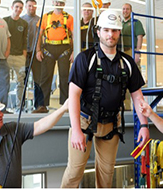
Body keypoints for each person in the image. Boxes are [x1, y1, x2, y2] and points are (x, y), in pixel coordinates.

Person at [61, 10, 149, 188]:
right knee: (74, 172)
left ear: (119, 33)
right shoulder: (85, 59)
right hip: (84, 122)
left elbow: (138, 97)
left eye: (115, 30)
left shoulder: (127, 63)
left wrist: (145, 125)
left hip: (111, 123)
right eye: (106, 30)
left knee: (107, 172)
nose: (111, 34)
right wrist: (76, 130)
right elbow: (74, 95)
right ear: (98, 31)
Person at [36, 0, 73, 112]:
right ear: (53, 2)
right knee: (45, 77)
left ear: (64, 4)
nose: (58, 4)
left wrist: (74, 52)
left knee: (65, 77)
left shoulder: (69, 18)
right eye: (57, 1)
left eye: (61, 2)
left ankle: (66, 104)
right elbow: (39, 34)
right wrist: (38, 50)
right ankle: (42, 105)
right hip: (48, 48)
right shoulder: (46, 17)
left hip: (64, 49)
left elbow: (74, 35)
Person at [21, 0, 45, 113]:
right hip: (24, 53)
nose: (32, 8)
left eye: (34, 6)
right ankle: (20, 106)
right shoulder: (21, 20)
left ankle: (39, 105)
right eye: (29, 6)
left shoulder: (40, 20)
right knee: (23, 81)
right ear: (26, 7)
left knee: (38, 81)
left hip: (36, 54)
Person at [4, 0, 28, 113]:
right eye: (17, 7)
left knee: (20, 83)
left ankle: (19, 107)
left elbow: (25, 40)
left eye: (21, 8)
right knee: (4, 82)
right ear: (12, 7)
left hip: (19, 57)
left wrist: (24, 55)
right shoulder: (4, 21)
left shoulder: (24, 23)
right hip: (7, 56)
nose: (18, 9)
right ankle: (3, 106)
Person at [122, 3, 145, 110]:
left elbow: (139, 37)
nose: (125, 11)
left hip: (131, 51)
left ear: (131, 10)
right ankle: (127, 108)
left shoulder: (136, 22)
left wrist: (137, 51)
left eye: (127, 9)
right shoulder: (120, 23)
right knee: (124, 80)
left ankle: (140, 108)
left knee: (135, 80)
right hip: (122, 52)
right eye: (123, 9)